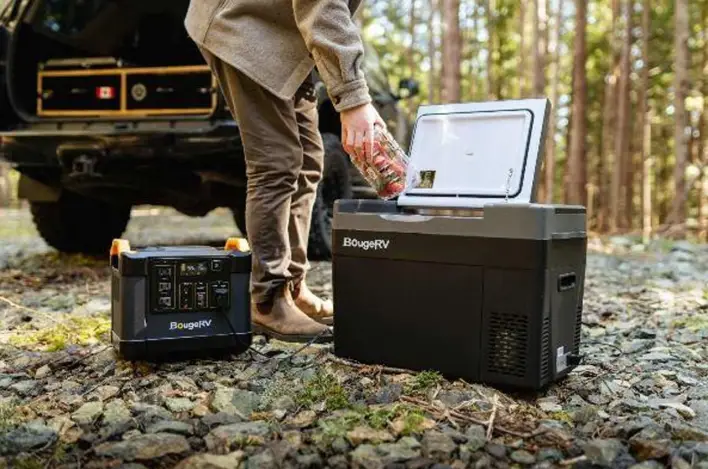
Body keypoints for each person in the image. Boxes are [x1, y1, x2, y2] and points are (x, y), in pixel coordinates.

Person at [184, 0, 385, 343]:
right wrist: (354, 99)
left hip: (282, 40)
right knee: (275, 161)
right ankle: (268, 300)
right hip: (240, 27)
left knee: (308, 158)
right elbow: (324, 8)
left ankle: (293, 285)